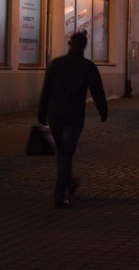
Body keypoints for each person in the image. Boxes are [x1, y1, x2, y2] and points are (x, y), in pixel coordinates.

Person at [38, 31, 108, 208]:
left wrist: (41, 111)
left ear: (70, 44)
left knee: (62, 153)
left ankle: (68, 183)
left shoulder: (56, 64)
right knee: (66, 154)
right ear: (84, 46)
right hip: (74, 116)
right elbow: (97, 91)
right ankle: (60, 194)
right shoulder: (87, 66)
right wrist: (103, 111)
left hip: (55, 114)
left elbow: (46, 90)